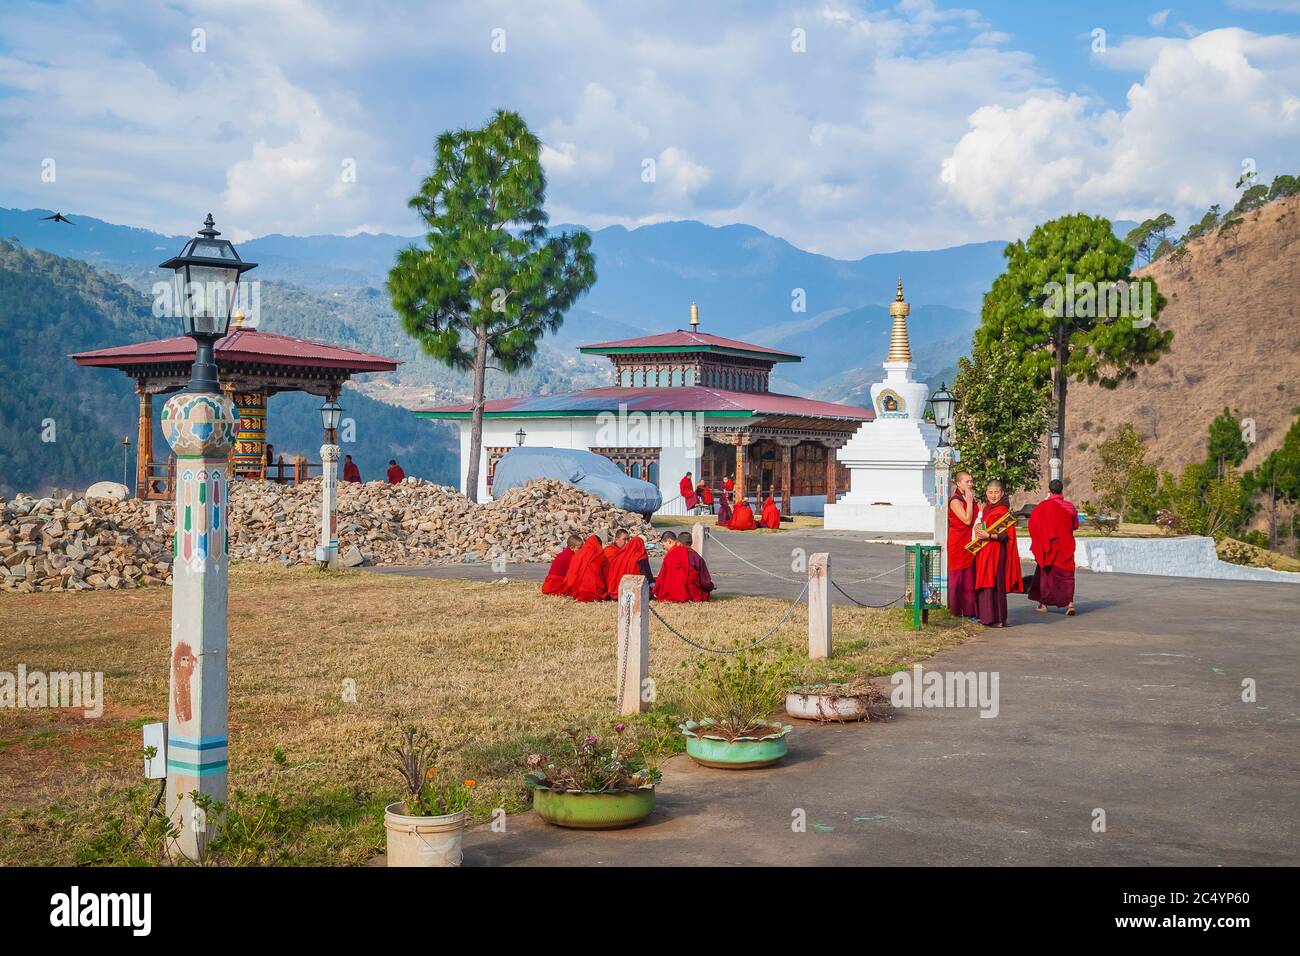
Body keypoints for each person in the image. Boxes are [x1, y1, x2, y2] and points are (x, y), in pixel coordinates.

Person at [973, 479, 1023, 627]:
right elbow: (986, 526)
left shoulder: (1002, 510)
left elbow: (1006, 535)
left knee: (995, 583)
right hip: (985, 550)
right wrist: (978, 529)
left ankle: (997, 619)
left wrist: (988, 536)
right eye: (990, 492)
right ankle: (990, 617)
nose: (993, 495)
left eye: (996, 492)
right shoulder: (989, 509)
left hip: (995, 550)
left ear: (1002, 493)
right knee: (988, 582)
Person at [1027, 478, 1079, 615]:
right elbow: (1075, 526)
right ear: (1062, 490)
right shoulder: (1070, 506)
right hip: (1065, 546)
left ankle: (1044, 605)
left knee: (1046, 575)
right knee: (1067, 575)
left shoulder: (1042, 507)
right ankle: (1070, 604)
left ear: (1048, 491)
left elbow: (1033, 526)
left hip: (1049, 547)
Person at [946, 470, 979, 619]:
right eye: (967, 482)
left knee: (970, 576)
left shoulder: (968, 497)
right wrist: (970, 502)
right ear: (958, 484)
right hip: (958, 542)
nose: (970, 484)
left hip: (970, 540)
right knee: (959, 576)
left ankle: (970, 610)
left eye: (971, 481)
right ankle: (956, 610)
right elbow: (966, 520)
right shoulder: (955, 500)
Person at [653, 532, 704, 602]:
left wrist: (656, 591)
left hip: (672, 593)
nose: (664, 548)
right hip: (694, 593)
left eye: (663, 545)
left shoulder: (672, 554)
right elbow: (704, 580)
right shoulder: (697, 557)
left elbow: (662, 576)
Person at [562, 534, 609, 602]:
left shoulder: (577, 555)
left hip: (578, 593)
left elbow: (571, 577)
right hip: (598, 595)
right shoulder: (601, 557)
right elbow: (607, 576)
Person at [676, 531, 715, 600]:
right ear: (691, 543)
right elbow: (705, 582)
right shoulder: (697, 558)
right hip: (693, 594)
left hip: (674, 593)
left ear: (679, 543)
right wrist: (712, 586)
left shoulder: (671, 556)